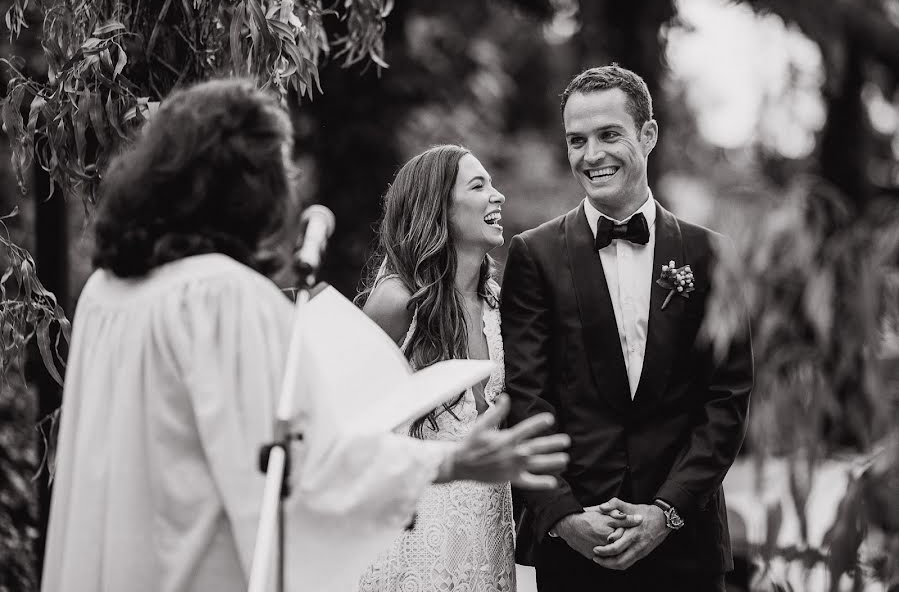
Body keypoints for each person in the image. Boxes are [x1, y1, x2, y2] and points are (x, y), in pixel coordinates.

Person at [40, 80, 570, 592]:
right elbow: (298, 466)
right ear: (247, 186)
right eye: (279, 169)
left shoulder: (106, 294)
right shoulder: (228, 298)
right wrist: (450, 461)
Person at [501, 65, 755, 591]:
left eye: (608, 135)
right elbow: (527, 399)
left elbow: (725, 400)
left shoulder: (712, 256)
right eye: (577, 140)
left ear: (648, 135)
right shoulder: (534, 256)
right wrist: (565, 517)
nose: (590, 155)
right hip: (576, 550)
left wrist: (667, 512)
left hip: (686, 546)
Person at [354, 145, 580, 592]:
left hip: (486, 532)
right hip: (413, 539)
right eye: (478, 186)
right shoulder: (397, 303)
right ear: (436, 206)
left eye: (492, 184)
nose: (497, 196)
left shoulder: (498, 304)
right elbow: (354, 432)